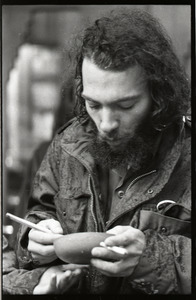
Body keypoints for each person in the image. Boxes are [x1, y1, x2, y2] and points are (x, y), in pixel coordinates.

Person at [15, 8, 191, 295]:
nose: (106, 125)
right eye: (93, 105)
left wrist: (150, 259)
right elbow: (39, 212)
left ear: (159, 96)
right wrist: (32, 238)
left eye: (125, 106)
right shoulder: (68, 144)